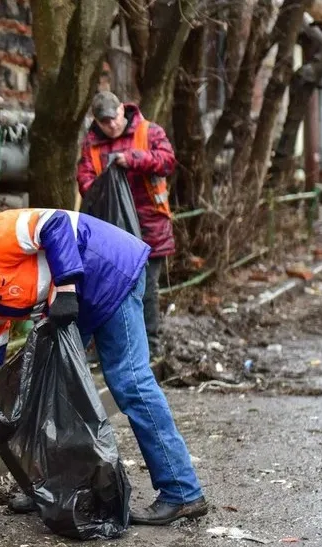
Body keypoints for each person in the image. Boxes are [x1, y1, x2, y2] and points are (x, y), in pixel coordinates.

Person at [0, 208, 206, 525]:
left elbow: (53, 223)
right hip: (75, 299)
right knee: (47, 387)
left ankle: (181, 491)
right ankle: (52, 488)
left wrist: (67, 289)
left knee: (130, 383)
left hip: (109, 271)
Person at [77, 91, 176, 358]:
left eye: (114, 118)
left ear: (123, 109)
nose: (112, 126)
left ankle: (150, 347)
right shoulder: (92, 145)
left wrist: (132, 159)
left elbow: (167, 160)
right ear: (96, 122)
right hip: (114, 227)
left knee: (147, 290)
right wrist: (99, 186)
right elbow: (85, 179)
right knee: (110, 289)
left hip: (149, 224)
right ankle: (114, 349)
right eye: (104, 122)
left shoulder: (149, 131)